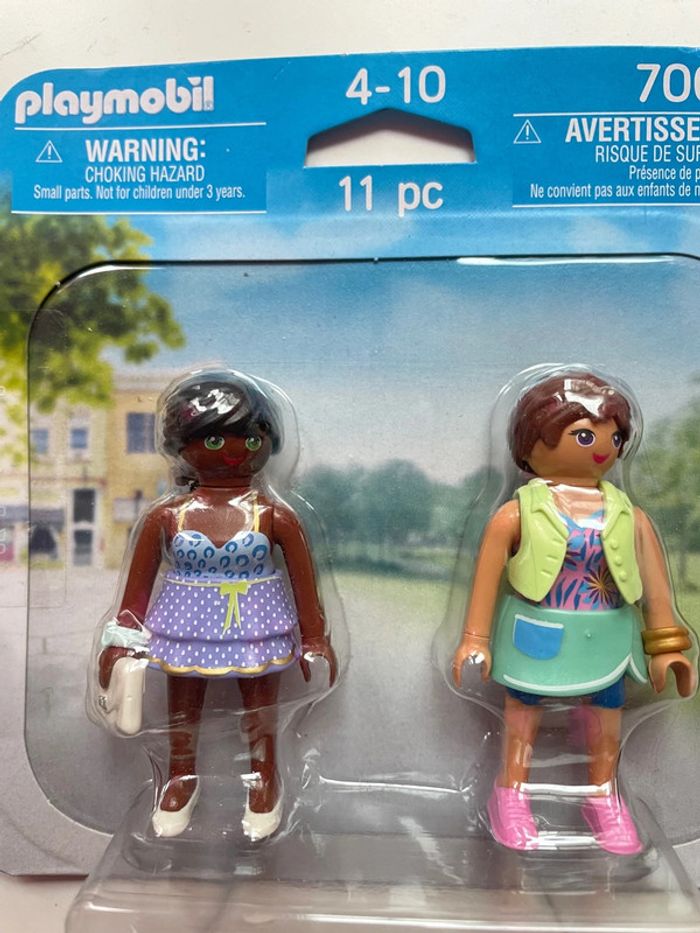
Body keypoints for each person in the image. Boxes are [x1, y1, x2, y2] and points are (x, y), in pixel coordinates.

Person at [452, 370, 696, 854]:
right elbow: (486, 581)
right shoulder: (516, 514)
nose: (603, 447)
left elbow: (656, 590)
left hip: (608, 638)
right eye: (585, 435)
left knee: (606, 716)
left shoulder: (630, 517)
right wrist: (475, 640)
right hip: (540, 632)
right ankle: (511, 795)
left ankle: (602, 796)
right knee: (524, 712)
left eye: (614, 437)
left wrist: (667, 646)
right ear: (532, 441)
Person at [96, 370, 337, 839]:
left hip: (256, 624)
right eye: (212, 441)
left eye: (250, 440)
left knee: (260, 707)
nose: (232, 452)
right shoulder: (167, 516)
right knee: (183, 708)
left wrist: (314, 638)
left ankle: (264, 777)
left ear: (267, 443)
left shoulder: (274, 516)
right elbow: (136, 592)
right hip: (184, 624)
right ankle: (180, 777)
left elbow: (304, 582)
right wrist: (121, 640)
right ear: (182, 445)